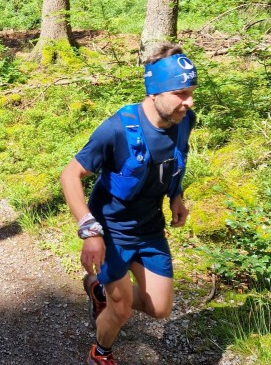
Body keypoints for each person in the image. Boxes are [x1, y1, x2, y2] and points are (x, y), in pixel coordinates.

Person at [60, 45, 197, 365]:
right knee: (119, 309)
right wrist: (88, 229)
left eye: (191, 92)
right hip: (111, 229)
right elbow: (70, 175)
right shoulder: (118, 129)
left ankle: (97, 288)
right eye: (180, 93)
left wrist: (176, 196)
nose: (189, 102)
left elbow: (178, 158)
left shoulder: (184, 119)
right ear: (154, 92)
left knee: (160, 308)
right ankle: (101, 352)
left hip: (150, 227)